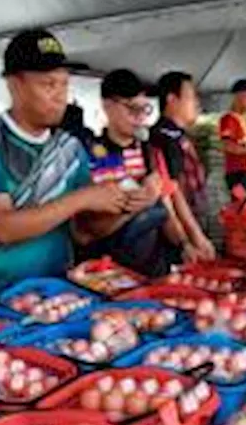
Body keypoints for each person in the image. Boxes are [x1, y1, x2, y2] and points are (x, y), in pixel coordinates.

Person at [0, 29, 132, 301]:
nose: (60, 96)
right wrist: (83, 197)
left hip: (56, 294)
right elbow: (3, 227)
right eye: (49, 85)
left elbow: (85, 232)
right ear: (15, 85)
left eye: (64, 85)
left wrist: (129, 206)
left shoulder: (71, 149)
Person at [82, 69, 214, 273]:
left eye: (145, 109)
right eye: (132, 109)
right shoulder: (88, 155)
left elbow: (167, 206)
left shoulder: (150, 151)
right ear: (107, 106)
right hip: (106, 270)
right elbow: (86, 230)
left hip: (151, 262)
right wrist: (135, 204)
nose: (140, 118)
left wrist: (184, 245)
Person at [149, 71, 211, 226]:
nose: (197, 103)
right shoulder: (163, 138)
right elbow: (173, 192)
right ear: (172, 99)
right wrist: (190, 238)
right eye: (191, 97)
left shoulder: (178, 135)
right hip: (181, 227)